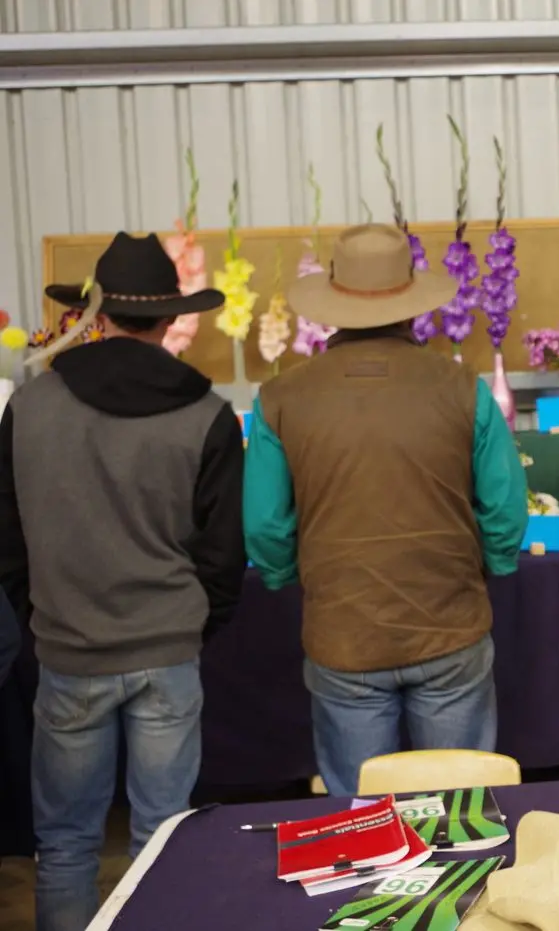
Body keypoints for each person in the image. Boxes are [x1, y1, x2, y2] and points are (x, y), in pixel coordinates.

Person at [0, 233, 245, 931]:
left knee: (67, 842)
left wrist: (42, 613)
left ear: (95, 315)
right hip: (167, 650)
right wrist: (193, 624)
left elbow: (6, 540)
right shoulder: (207, 415)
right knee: (161, 839)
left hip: (69, 650)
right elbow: (222, 553)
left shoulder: (31, 406)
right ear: (171, 320)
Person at [244, 224, 527, 797]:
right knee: (461, 806)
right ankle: (465, 888)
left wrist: (295, 576)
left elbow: (265, 526)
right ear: (410, 302)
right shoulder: (463, 389)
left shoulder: (280, 398)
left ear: (334, 302)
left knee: (361, 815)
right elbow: (505, 509)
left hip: (344, 631)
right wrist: (490, 566)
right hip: (449, 625)